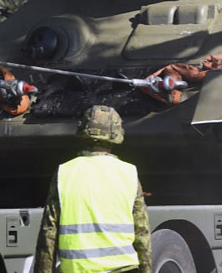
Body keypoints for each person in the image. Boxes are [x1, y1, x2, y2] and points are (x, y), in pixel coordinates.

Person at [33, 105, 151, 273]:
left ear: (83, 130)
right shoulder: (129, 173)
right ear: (117, 133)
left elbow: (49, 233)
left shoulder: (65, 173)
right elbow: (142, 233)